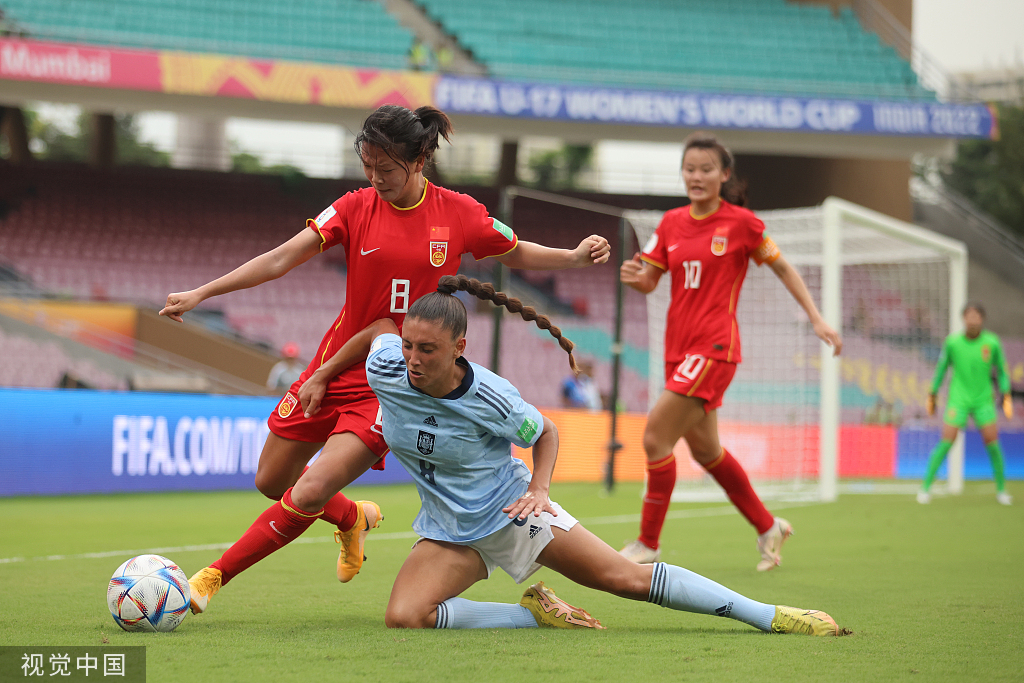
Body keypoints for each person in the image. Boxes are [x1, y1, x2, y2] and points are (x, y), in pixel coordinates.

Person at [158, 104, 611, 613]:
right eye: (367, 167)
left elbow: (515, 251)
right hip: (335, 361)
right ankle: (352, 518)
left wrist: (572, 256)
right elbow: (281, 257)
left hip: (397, 380)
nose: (375, 178)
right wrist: (203, 293)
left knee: (308, 489)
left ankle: (209, 580)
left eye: (386, 169)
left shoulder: (458, 212)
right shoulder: (354, 206)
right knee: (271, 480)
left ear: (419, 160)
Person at [322, 274, 845, 635]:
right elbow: (376, 334)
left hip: (510, 514)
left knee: (624, 578)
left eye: (427, 349)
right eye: (410, 345)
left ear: (460, 346)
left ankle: (769, 615)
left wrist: (539, 490)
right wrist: (322, 376)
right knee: (405, 617)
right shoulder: (387, 365)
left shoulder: (491, 396)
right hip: (448, 529)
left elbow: (545, 431)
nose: (412, 358)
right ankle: (536, 616)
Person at [619, 132, 842, 571]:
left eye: (706, 169)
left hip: (715, 347)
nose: (696, 177)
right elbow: (649, 281)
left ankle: (648, 544)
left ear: (724, 175)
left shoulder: (742, 224)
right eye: (690, 169)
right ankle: (767, 526)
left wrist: (816, 317)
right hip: (676, 350)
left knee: (655, 438)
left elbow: (782, 266)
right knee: (707, 453)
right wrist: (635, 275)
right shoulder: (669, 224)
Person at [919, 303, 1013, 505]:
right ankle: (925, 488)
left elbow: (1002, 371)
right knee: (946, 442)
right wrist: (932, 393)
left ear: (982, 319)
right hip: (958, 399)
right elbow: (941, 369)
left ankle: (1001, 491)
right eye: (968, 316)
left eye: (976, 316)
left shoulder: (992, 342)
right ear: (963, 319)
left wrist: (1005, 393)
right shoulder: (953, 343)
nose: (972, 320)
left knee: (993, 444)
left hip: (983, 400)